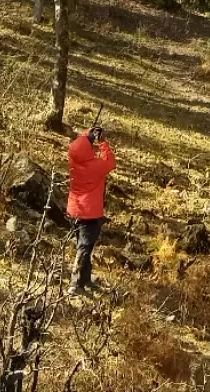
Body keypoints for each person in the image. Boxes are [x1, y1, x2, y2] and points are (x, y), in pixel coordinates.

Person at [66, 119, 116, 295]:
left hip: (74, 212)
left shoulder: (73, 161)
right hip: (90, 214)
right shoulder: (96, 166)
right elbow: (110, 162)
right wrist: (102, 142)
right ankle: (75, 284)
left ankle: (85, 279)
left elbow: (78, 147)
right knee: (84, 249)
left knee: (82, 245)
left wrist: (88, 134)